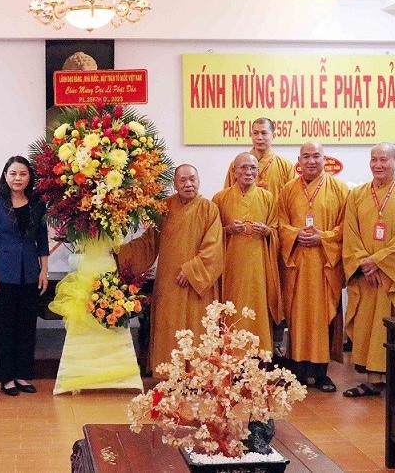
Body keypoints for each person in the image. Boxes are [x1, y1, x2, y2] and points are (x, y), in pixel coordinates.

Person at [117, 164, 224, 377]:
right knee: (169, 327)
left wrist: (192, 270)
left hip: (196, 284)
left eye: (192, 179)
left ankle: (199, 375)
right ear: (174, 183)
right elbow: (149, 242)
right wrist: (118, 251)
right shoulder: (164, 208)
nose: (188, 184)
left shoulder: (208, 208)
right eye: (183, 180)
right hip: (169, 282)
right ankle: (169, 374)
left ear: (199, 181)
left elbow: (214, 247)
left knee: (198, 327)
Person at [342, 143, 395, 401]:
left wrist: (377, 261)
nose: (378, 165)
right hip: (368, 276)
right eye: (374, 160)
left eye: (384, 160)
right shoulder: (356, 195)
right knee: (369, 324)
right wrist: (364, 263)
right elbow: (350, 233)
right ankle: (373, 380)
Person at [277, 142, 349, 392]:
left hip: (324, 265)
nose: (311, 161)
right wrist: (295, 234)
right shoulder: (287, 190)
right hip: (296, 264)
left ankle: (321, 373)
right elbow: (280, 224)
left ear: (324, 159)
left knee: (322, 317)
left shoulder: (340, 189)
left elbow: (346, 227)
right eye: (306, 156)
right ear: (299, 160)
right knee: (297, 316)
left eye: (316, 156)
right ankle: (296, 371)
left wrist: (324, 237)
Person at [0, 156, 49, 396]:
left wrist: (44, 270)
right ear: (5, 176)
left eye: (22, 174)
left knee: (26, 326)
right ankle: (5, 377)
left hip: (29, 273)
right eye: (13, 174)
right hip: (3, 274)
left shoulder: (38, 202)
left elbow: (42, 239)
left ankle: (22, 374)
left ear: (29, 177)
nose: (17, 178)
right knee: (2, 327)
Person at [212, 152, 282, 347]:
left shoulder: (268, 198)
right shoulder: (220, 198)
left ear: (258, 172)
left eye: (253, 168)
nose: (248, 172)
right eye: (243, 167)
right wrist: (227, 230)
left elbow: (277, 231)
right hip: (230, 266)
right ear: (234, 171)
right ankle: (231, 358)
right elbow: (211, 235)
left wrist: (267, 232)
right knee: (230, 308)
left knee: (258, 308)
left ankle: (260, 355)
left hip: (258, 265)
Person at [222, 117, 296, 194]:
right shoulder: (237, 164)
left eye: (264, 133)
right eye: (255, 133)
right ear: (251, 135)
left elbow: (293, 198)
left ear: (273, 136)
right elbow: (227, 197)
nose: (259, 137)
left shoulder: (286, 167)